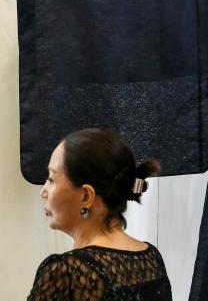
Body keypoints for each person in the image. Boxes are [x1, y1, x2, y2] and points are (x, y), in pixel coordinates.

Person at [28, 128, 172, 300]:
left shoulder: (66, 273)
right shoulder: (151, 260)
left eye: (51, 179)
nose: (43, 192)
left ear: (86, 196)